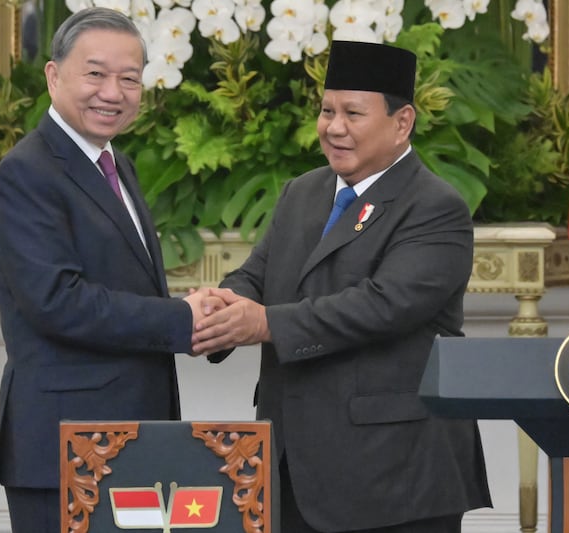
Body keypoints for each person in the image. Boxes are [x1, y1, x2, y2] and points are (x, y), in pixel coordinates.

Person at [192, 40, 492, 532]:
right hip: (291, 467)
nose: (334, 128)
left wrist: (264, 322)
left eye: (353, 113)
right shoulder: (302, 191)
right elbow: (258, 275)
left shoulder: (435, 206)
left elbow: (382, 306)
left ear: (402, 123)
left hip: (395, 475)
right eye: (327, 110)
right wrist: (218, 307)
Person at [0, 8, 212, 531]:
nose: (113, 92)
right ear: (53, 75)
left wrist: (202, 315)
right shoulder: (27, 173)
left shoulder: (115, 164)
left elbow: (121, 284)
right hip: (67, 449)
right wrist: (181, 319)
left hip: (131, 444)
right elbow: (58, 303)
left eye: (129, 78)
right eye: (95, 74)